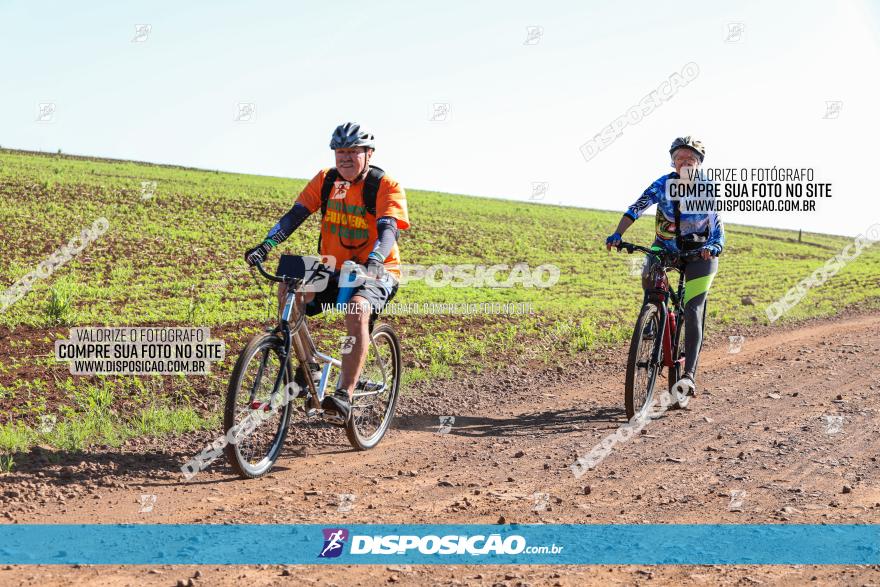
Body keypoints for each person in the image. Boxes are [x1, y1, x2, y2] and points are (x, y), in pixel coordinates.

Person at [245, 122, 409, 422]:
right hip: (333, 266)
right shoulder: (326, 181)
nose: (345, 158)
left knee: (357, 309)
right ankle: (311, 367)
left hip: (377, 268)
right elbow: (294, 216)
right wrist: (266, 244)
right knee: (288, 288)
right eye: (340, 151)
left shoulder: (385, 186)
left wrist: (374, 258)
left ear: (368, 154)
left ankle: (344, 394)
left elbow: (388, 230)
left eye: (353, 151)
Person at [605, 136, 724, 398]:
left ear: (699, 164)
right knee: (650, 271)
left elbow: (717, 227)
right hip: (666, 248)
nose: (684, 162)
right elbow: (638, 206)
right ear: (672, 160)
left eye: (690, 159)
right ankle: (653, 317)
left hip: (700, 254)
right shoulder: (663, 184)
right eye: (680, 157)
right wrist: (617, 233)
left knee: (693, 309)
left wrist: (714, 246)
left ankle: (689, 375)